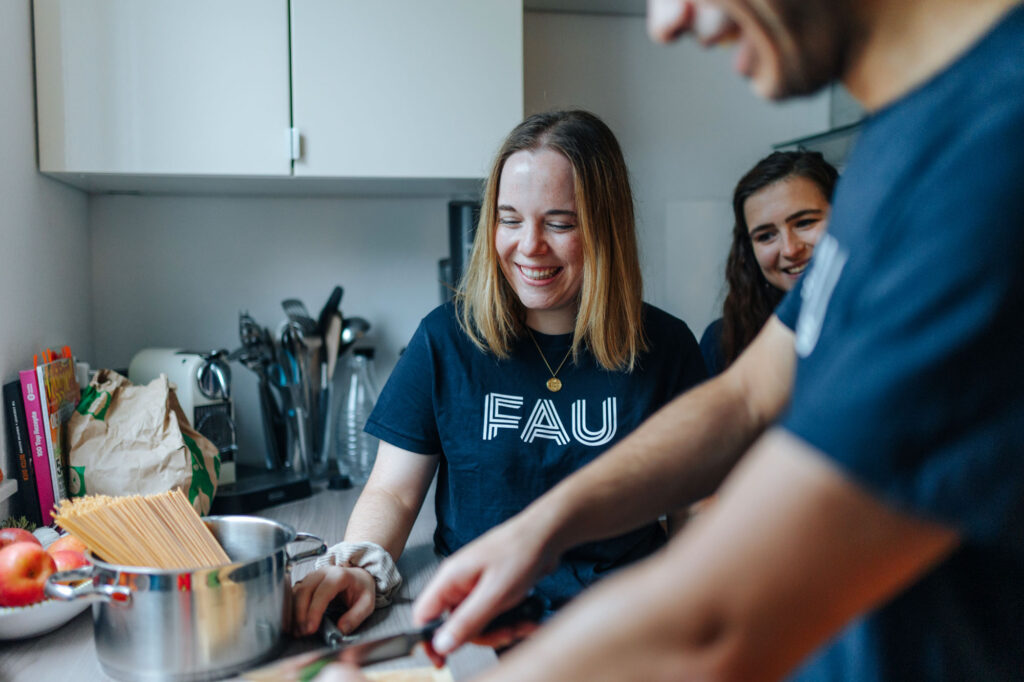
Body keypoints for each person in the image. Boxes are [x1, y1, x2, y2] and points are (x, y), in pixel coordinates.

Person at [363, 1, 1021, 681]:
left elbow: (712, 622)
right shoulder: (905, 138)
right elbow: (746, 394)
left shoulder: (991, 151)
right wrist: (539, 531)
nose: (667, 22)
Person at [290, 109, 708, 640]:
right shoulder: (444, 339)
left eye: (560, 222)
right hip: (478, 616)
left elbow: (693, 512)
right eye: (510, 219)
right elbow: (392, 492)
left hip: (621, 624)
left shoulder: (667, 348)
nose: (529, 246)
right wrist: (357, 566)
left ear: (607, 226)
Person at [699, 151, 838, 375]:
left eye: (805, 222)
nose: (790, 249)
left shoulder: (893, 316)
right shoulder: (722, 341)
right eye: (766, 236)